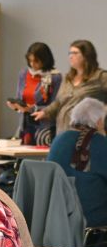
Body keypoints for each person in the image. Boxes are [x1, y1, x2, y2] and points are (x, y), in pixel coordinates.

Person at [47, 97, 107, 228]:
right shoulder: (100, 142)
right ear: (99, 121)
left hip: (58, 213)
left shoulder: (59, 139)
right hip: (91, 216)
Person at [32, 40, 107, 137]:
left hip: (87, 135)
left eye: (75, 53)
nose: (70, 56)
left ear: (87, 55)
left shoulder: (100, 76)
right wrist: (45, 112)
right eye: (70, 53)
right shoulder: (68, 78)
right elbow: (59, 102)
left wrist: (102, 114)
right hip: (63, 131)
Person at [6, 42, 62, 145]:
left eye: (36, 61)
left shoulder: (55, 77)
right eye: (30, 61)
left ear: (45, 60)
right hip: (25, 125)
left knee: (40, 157)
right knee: (23, 156)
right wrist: (15, 106)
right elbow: (20, 98)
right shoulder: (24, 74)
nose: (32, 64)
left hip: (45, 126)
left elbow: (55, 106)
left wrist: (31, 109)